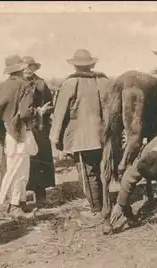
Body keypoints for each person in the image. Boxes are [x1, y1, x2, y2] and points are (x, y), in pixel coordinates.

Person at [49, 49, 110, 227]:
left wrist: (55, 138)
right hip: (103, 134)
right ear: (92, 65)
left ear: (75, 65)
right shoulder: (103, 81)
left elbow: (60, 114)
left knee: (87, 173)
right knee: (101, 170)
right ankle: (104, 203)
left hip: (81, 138)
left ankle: (96, 210)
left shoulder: (70, 83)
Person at [0, 55, 37, 218]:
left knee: (13, 168)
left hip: (8, 133)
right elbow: (25, 112)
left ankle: (18, 203)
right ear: (22, 69)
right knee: (20, 170)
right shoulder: (26, 86)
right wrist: (37, 112)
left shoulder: (3, 87)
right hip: (21, 132)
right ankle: (15, 207)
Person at [22, 56, 56, 207]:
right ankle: (20, 197)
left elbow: (49, 103)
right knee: (23, 163)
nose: (27, 69)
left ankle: (40, 195)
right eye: (24, 66)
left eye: (30, 66)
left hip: (40, 128)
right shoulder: (18, 84)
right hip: (22, 128)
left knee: (40, 160)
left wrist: (43, 112)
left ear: (35, 68)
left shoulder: (41, 84)